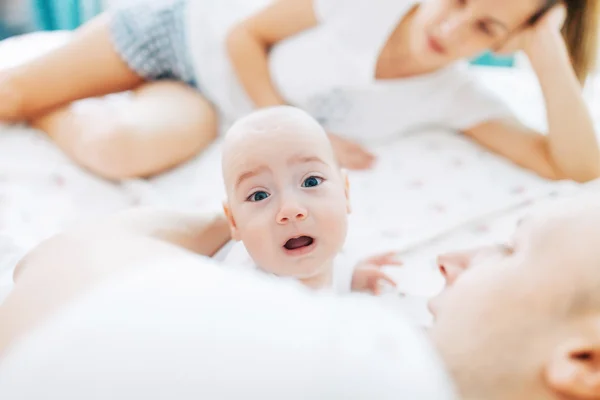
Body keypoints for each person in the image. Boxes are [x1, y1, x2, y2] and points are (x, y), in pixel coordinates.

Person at [3, 193, 600, 399]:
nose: (450, 260)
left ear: (584, 360)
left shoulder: (376, 372)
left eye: (510, 251)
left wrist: (215, 223)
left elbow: (52, 272)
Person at [0, 0, 597, 182]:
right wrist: (300, 131)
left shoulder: (454, 95)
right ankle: (40, 97)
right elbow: (245, 36)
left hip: (210, 106)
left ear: (509, 42)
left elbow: (574, 166)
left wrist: (547, 52)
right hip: (180, 36)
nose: (450, 27)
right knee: (13, 93)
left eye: (485, 28)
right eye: (459, 0)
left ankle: (50, 108)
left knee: (118, 149)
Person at [220, 105, 399, 293]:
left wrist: (352, 277)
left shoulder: (330, 251)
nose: (290, 209)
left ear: (345, 193)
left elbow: (333, 268)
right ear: (234, 221)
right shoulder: (243, 291)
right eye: (259, 196)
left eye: (311, 182)